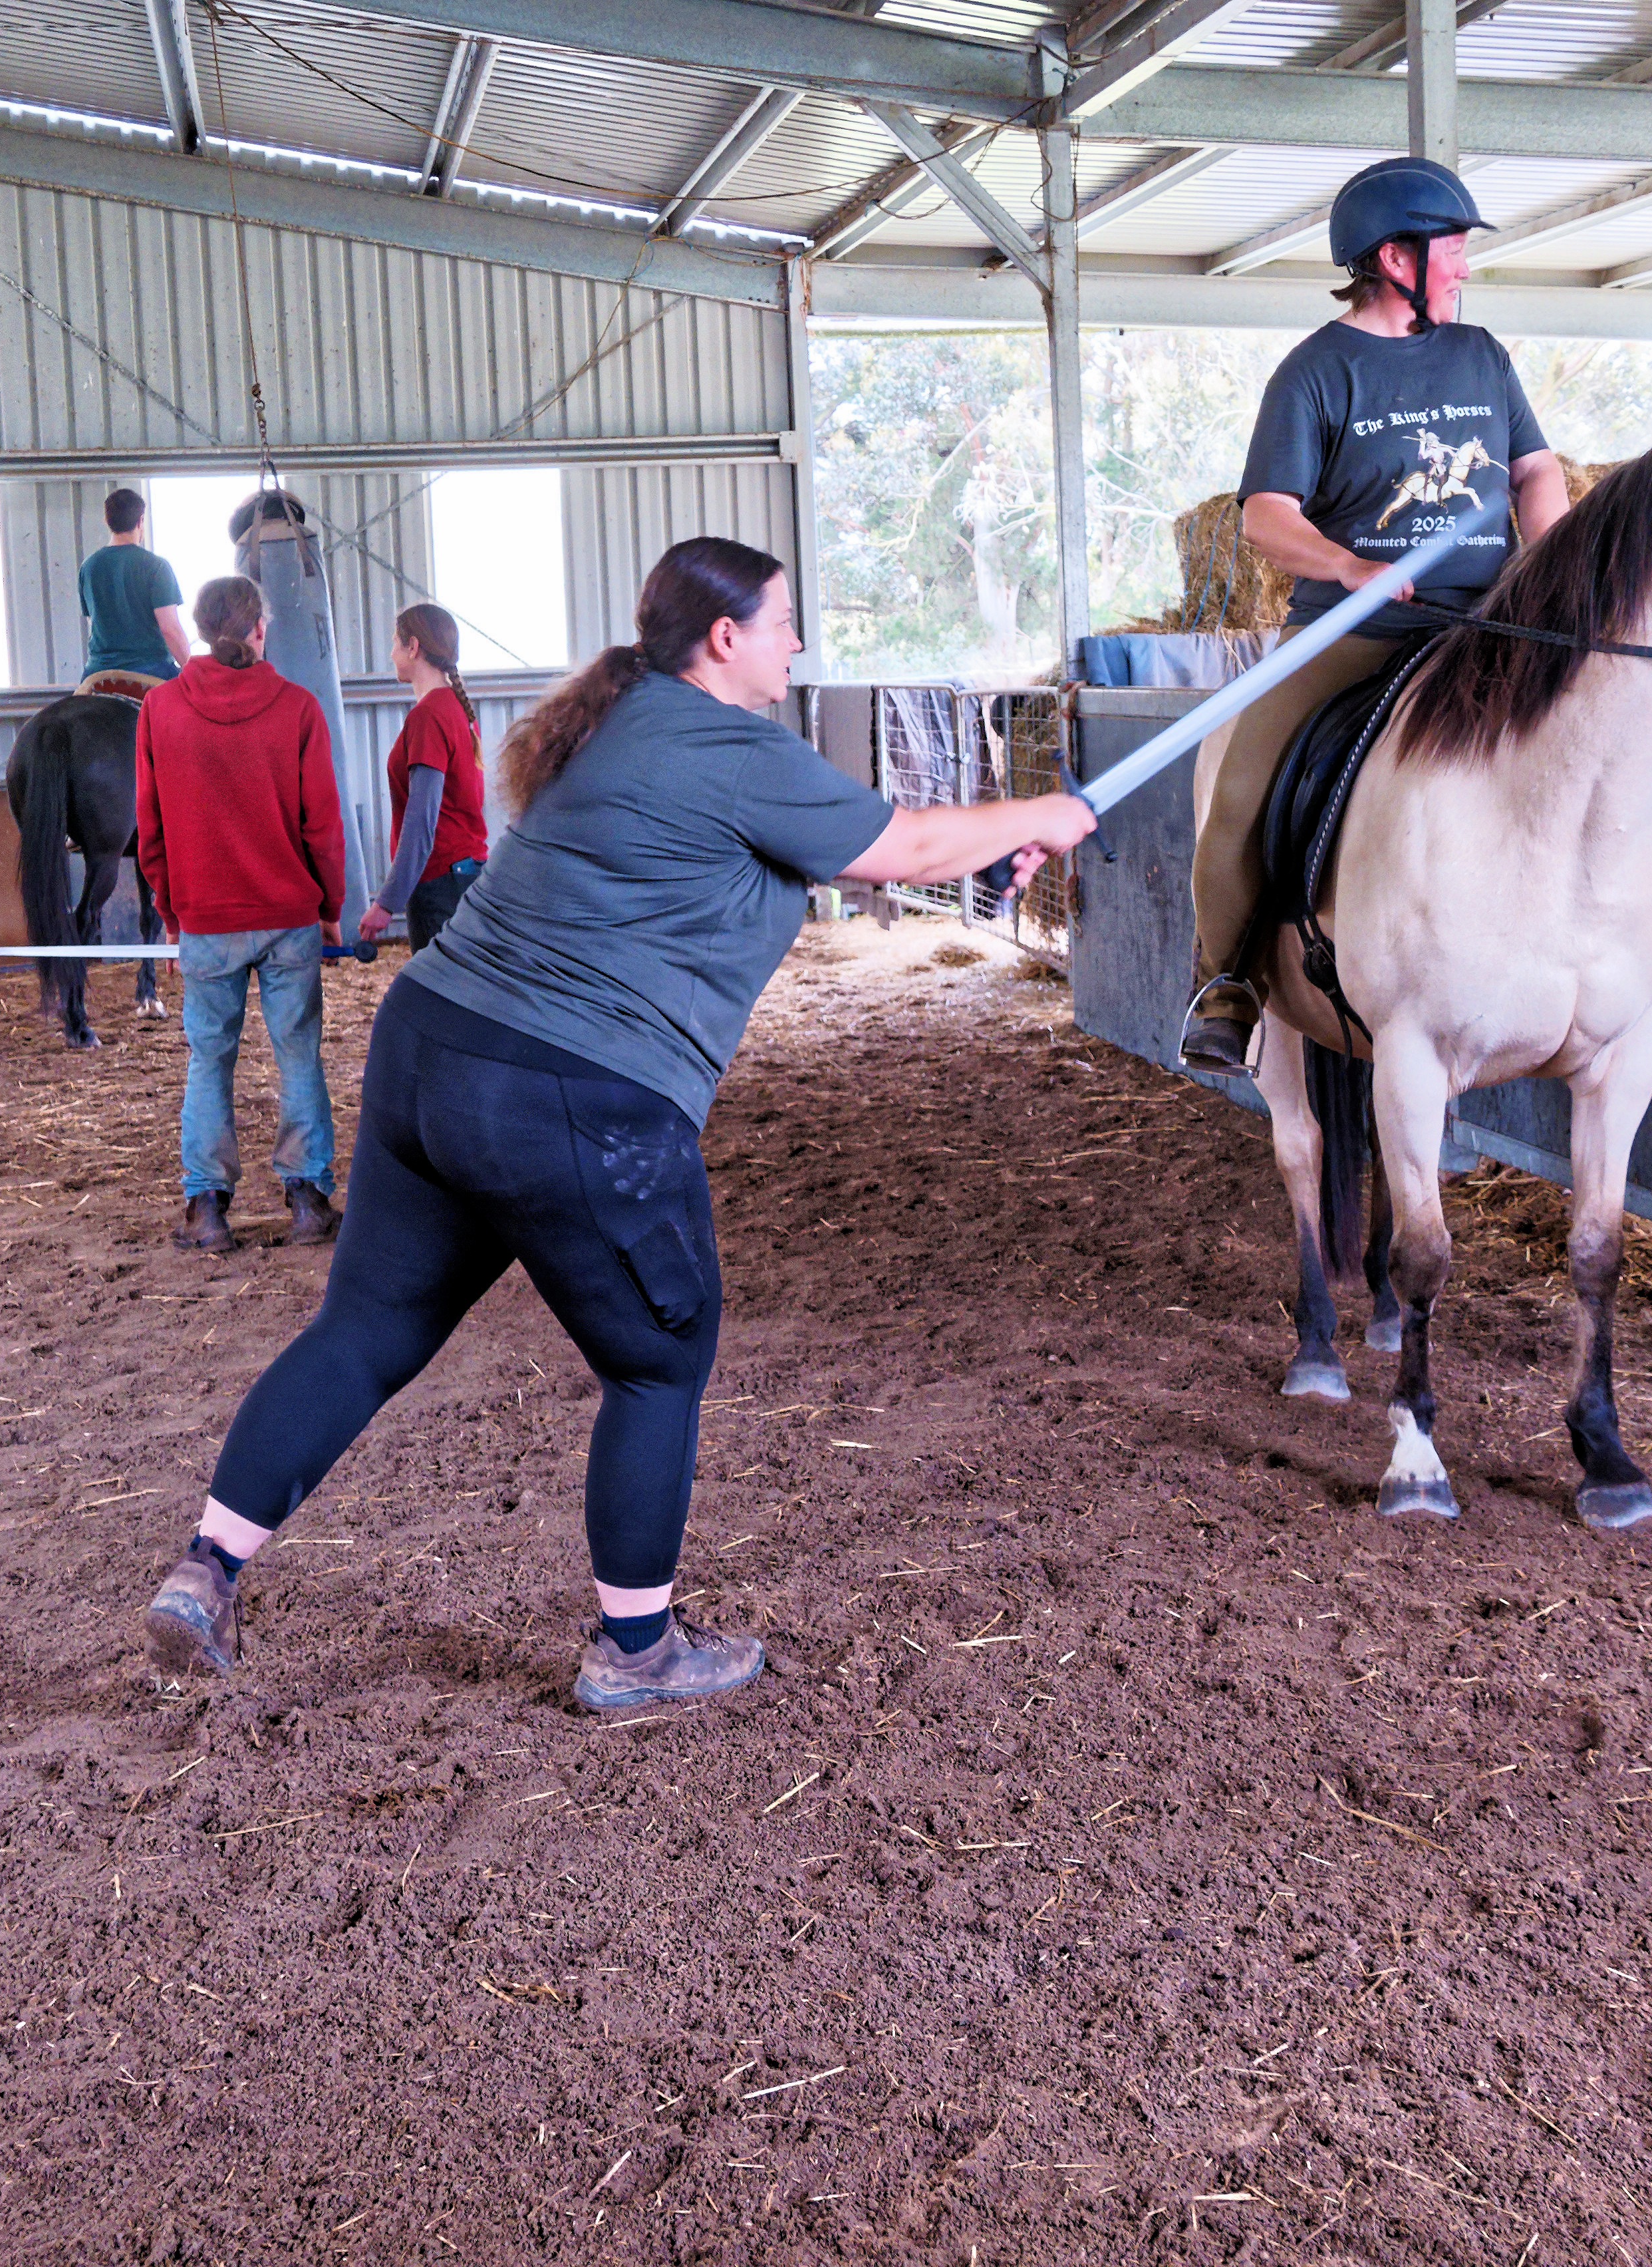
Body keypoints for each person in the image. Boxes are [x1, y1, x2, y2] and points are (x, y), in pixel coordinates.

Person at [142, 537, 1093, 1711]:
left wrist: (1008, 829)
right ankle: (634, 1650)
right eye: (785, 618)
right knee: (658, 1358)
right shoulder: (733, 744)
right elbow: (904, 846)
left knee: (366, 1328)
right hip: (573, 1087)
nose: (799, 640)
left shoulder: (622, 716)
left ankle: (205, 1569)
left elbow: (856, 853)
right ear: (725, 638)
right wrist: (1055, 802)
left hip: (430, 1046)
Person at [1176, 156, 1572, 1075]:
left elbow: (1536, 471)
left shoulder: (1482, 357)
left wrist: (1549, 561)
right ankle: (1226, 982)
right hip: (1353, 634)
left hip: (1491, 625)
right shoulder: (1316, 372)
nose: (1467, 267)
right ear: (1396, 258)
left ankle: (1637, 955)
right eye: (1455, 249)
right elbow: (1266, 515)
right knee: (1240, 788)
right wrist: (1349, 566)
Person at [136, 574, 346, 1257]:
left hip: (206, 916)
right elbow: (323, 824)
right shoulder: (298, 708)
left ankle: (206, 1207)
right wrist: (330, 908)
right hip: (288, 915)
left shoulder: (160, 711)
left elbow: (151, 828)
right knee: (297, 1054)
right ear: (259, 629)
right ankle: (308, 1200)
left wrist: (172, 909)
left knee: (209, 1058)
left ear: (200, 630)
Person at [355, 601, 491, 953]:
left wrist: (387, 903)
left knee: (441, 1001)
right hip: (468, 875)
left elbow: (421, 819)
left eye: (395, 644)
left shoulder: (428, 717)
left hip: (439, 885)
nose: (391, 653)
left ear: (413, 647)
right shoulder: (459, 709)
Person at [80, 485, 192, 682]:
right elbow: (170, 630)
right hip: (151, 670)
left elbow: (95, 623)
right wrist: (191, 670)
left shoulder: (88, 567)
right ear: (140, 521)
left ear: (107, 521)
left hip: (97, 672)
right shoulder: (156, 566)